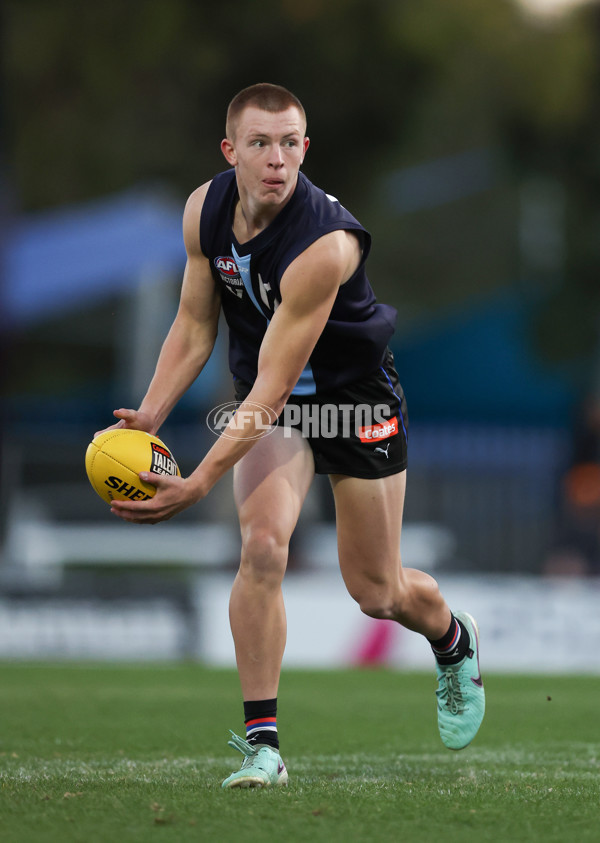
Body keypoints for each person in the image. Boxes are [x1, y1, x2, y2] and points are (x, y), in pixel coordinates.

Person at [100, 83, 485, 788]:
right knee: (263, 547)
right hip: (272, 409)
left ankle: (453, 638)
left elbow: (275, 384)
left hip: (351, 400)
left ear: (305, 148)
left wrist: (198, 481)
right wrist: (151, 412)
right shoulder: (204, 211)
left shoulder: (325, 245)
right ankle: (264, 748)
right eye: (260, 144)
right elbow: (193, 326)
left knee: (377, 592)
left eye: (290, 144)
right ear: (231, 151)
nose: (277, 159)